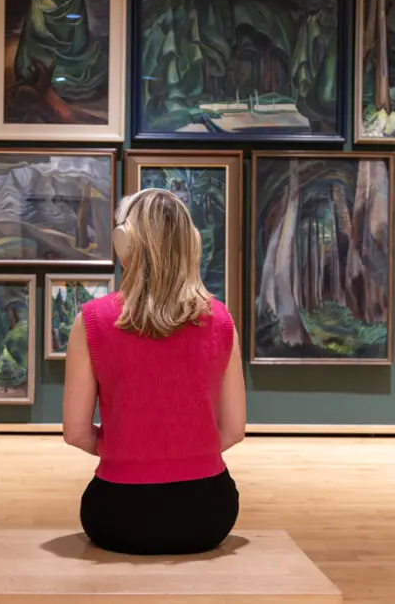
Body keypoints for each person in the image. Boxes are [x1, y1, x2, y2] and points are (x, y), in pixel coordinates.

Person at [62, 188, 246, 555]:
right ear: (191, 244)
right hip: (209, 514)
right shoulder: (221, 319)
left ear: (122, 243)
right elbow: (233, 430)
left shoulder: (92, 321)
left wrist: (126, 448)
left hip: (118, 515)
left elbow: (76, 433)